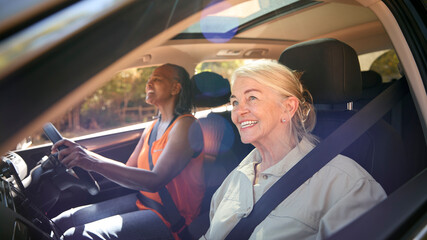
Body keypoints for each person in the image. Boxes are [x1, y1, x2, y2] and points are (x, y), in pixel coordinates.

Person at [201, 60, 386, 239]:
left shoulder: (346, 184)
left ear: (288, 108)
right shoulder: (234, 179)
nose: (238, 111)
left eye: (252, 98)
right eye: (235, 102)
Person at [51, 64, 205, 240]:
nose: (149, 83)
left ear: (175, 88)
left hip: (173, 219)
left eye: (157, 79)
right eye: (149, 79)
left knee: (76, 237)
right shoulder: (152, 127)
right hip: (144, 201)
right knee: (64, 220)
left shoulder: (186, 126)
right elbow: (127, 168)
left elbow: (155, 181)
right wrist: (81, 153)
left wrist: (91, 161)